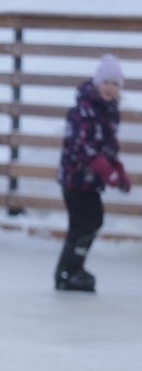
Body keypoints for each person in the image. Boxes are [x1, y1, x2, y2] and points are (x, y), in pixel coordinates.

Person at [54, 53, 132, 292]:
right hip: (75, 178)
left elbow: (108, 147)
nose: (110, 88)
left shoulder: (110, 112)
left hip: (91, 182)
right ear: (97, 84)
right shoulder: (83, 110)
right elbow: (82, 147)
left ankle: (75, 267)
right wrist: (106, 170)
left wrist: (117, 169)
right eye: (106, 82)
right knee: (83, 223)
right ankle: (66, 272)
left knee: (94, 220)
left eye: (115, 84)